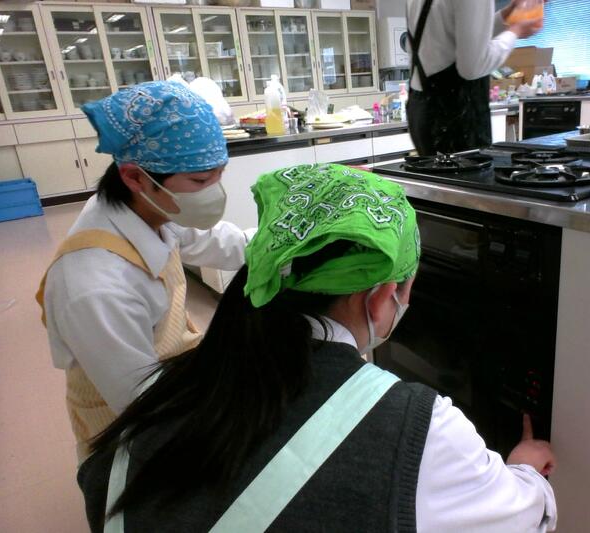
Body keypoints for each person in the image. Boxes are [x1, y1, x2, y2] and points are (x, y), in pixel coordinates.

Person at [77, 163, 558, 532]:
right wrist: (527, 469)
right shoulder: (420, 427)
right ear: (381, 297)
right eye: (406, 290)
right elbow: (517, 516)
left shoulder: (167, 390)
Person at [36, 81, 254, 461]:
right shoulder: (96, 289)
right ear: (135, 177)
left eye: (219, 174)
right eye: (200, 181)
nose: (214, 192)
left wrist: (286, 242)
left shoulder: (151, 209)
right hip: (128, 426)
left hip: (172, 373)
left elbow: (220, 242)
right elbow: (143, 404)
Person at [406, 0, 545, 155]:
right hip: (453, 115)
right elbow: (473, 67)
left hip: (422, 108)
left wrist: (507, 15)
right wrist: (515, 31)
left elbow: (468, 37)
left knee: (431, 170)